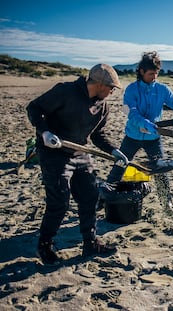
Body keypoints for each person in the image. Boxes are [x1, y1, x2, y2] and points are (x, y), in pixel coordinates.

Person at [26, 64, 129, 265]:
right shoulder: (65, 91)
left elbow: (98, 135)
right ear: (99, 84)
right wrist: (45, 133)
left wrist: (114, 151)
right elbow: (34, 108)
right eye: (111, 88)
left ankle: (90, 244)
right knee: (60, 201)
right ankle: (44, 245)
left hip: (80, 152)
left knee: (90, 196)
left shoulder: (102, 106)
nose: (112, 92)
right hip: (53, 152)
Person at [106, 51, 173, 209]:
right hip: (132, 136)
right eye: (151, 73)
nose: (154, 77)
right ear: (141, 72)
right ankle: (104, 197)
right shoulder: (131, 90)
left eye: (156, 73)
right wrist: (146, 124)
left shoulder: (162, 89)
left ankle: (167, 203)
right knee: (120, 165)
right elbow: (132, 113)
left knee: (160, 169)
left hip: (154, 138)